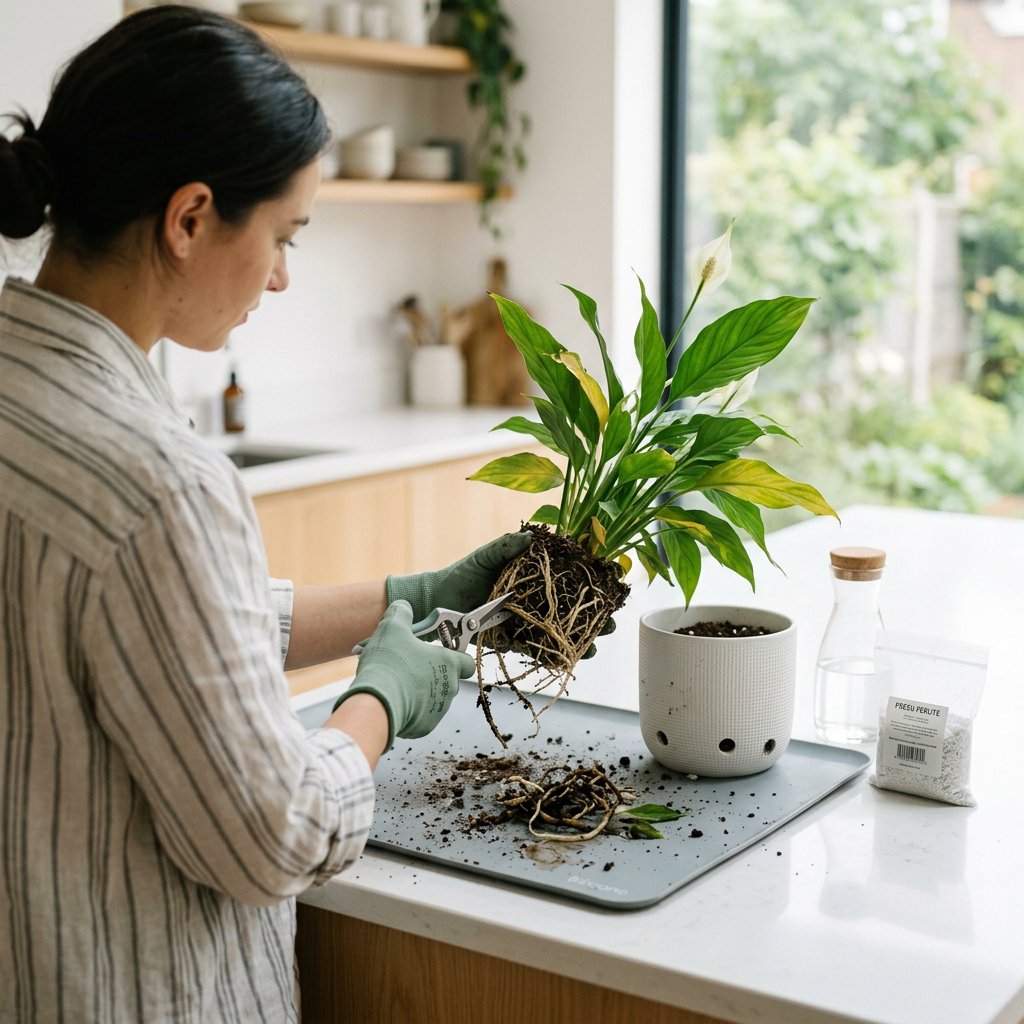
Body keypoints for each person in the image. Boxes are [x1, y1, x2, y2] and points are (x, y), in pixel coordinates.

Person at [0, 7, 530, 1022]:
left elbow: (157, 631)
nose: (283, 276)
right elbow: (274, 835)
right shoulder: (159, 484)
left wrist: (407, 594)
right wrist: (380, 699)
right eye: (283, 235)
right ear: (190, 219)